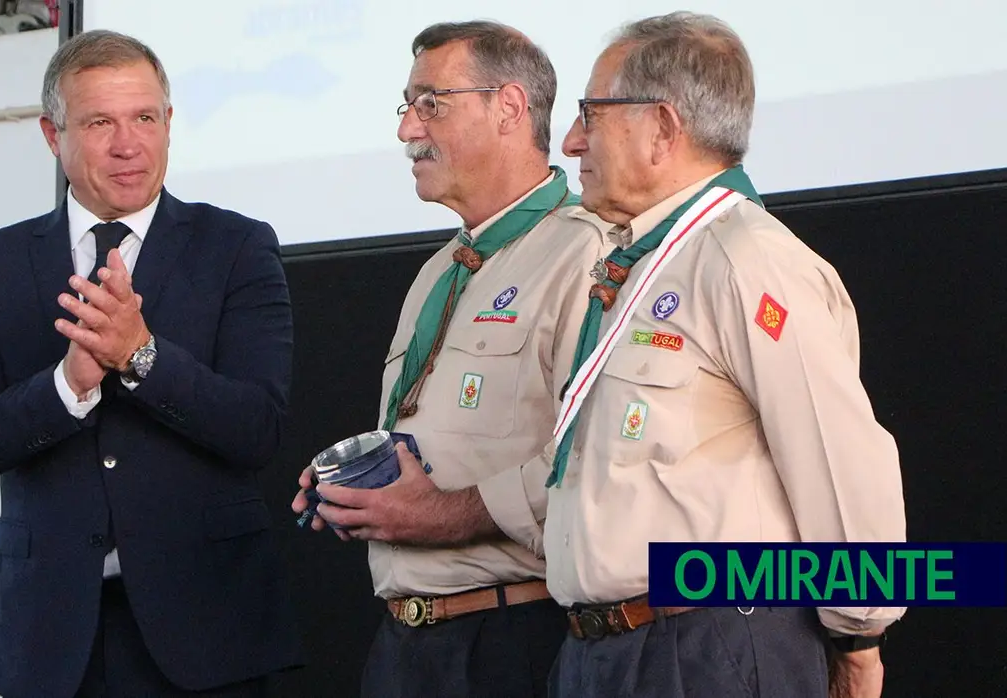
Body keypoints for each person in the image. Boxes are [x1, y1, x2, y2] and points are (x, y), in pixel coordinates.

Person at [543, 11, 906, 698]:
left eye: (591, 115)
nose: (570, 141)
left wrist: (858, 639)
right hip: (602, 654)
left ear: (663, 127)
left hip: (708, 649)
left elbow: (839, 461)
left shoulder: (749, 261)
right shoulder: (635, 263)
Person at [0, 29, 301, 698]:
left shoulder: (237, 247)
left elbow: (259, 429)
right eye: (101, 122)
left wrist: (141, 356)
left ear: (168, 123)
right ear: (53, 135)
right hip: (47, 640)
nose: (129, 144)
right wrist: (68, 385)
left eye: (146, 118)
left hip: (209, 633)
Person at [290, 20, 615, 698]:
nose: (408, 130)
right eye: (407, 106)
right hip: (405, 648)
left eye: (431, 102)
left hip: (514, 642)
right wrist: (358, 490)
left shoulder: (590, 256)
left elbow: (595, 465)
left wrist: (440, 512)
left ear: (509, 108)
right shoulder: (441, 270)